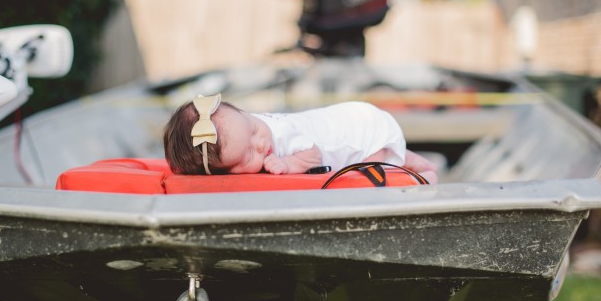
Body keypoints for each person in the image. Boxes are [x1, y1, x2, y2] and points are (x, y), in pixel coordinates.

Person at [163, 93, 438, 183]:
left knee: (379, 176)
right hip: (351, 118)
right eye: (248, 155)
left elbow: (313, 154)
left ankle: (426, 178)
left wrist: (290, 164)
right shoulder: (241, 127)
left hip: (359, 133)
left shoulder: (282, 136)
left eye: (253, 130)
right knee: (402, 157)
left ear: (245, 113)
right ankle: (426, 167)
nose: (261, 144)